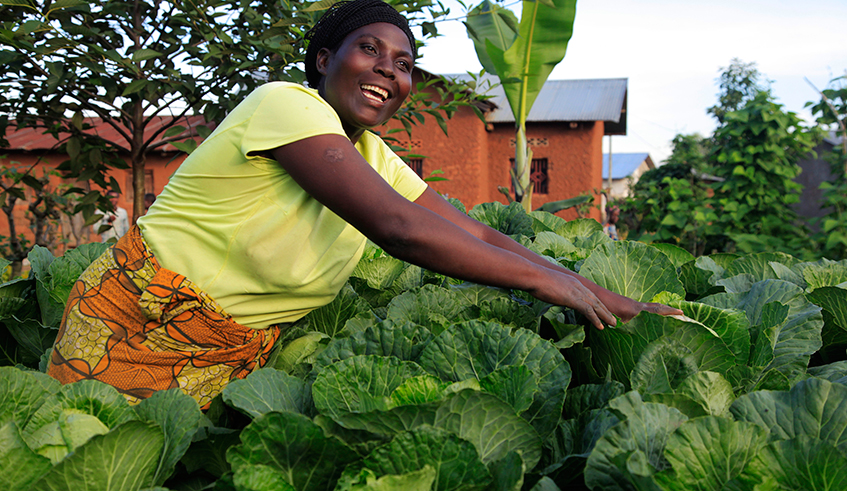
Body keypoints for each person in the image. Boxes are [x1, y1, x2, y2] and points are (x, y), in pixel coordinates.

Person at [47, 0, 681, 409]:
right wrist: (548, 288)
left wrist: (586, 286)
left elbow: (473, 233)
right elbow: (399, 229)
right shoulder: (285, 105)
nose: (388, 71)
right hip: (139, 321)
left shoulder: (376, 158)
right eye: (370, 49)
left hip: (227, 353)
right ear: (325, 60)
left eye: (404, 63)